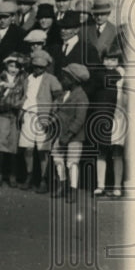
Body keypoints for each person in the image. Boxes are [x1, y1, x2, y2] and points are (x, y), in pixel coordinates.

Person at [18, 49, 63, 194]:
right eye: (36, 66)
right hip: (28, 115)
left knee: (43, 150)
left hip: (42, 118)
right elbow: (24, 95)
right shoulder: (28, 78)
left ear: (46, 67)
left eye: (41, 67)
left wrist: (51, 113)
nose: (38, 69)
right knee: (28, 148)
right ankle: (29, 176)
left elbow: (59, 97)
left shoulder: (51, 79)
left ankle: (43, 179)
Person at [52, 63, 91, 203]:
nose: (63, 80)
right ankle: (62, 185)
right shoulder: (64, 94)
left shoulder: (81, 97)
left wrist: (68, 135)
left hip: (74, 136)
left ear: (74, 80)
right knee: (58, 160)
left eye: (66, 78)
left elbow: (80, 119)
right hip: (60, 132)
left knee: (72, 163)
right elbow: (57, 109)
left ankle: (73, 190)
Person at [0, 53, 28, 188]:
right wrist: (3, 86)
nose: (13, 69)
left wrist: (20, 105)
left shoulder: (23, 79)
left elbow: (26, 94)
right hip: (2, 114)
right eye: (11, 66)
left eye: (16, 66)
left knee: (13, 147)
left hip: (15, 115)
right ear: (6, 66)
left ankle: (12, 175)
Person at [91, 46, 127, 197]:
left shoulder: (125, 76)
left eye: (113, 59)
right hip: (104, 115)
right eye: (107, 59)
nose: (110, 62)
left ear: (119, 61)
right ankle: (101, 185)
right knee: (102, 151)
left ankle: (117, 186)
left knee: (117, 151)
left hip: (119, 115)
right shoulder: (100, 75)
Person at [82, 0, 119, 64]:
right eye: (96, 14)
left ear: (108, 13)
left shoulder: (115, 31)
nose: (99, 17)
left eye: (103, 14)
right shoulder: (85, 29)